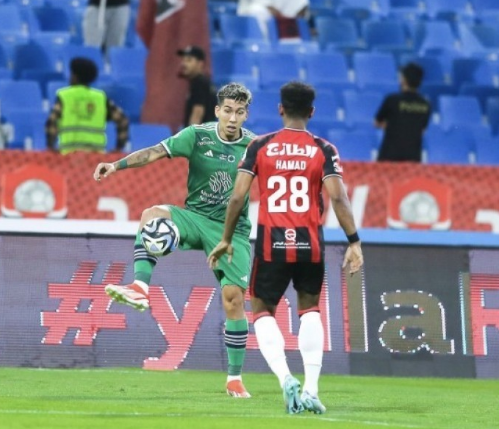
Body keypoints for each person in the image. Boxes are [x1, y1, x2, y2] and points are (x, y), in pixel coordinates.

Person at [208, 81, 364, 415]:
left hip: (271, 243)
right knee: (310, 310)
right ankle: (312, 389)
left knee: (262, 310)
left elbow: (237, 196)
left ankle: (284, 380)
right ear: (311, 112)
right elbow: (338, 196)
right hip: (310, 243)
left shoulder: (260, 146)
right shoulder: (324, 149)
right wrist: (354, 242)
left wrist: (225, 239)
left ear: (280, 109)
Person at [93, 83, 257, 398]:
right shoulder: (197, 135)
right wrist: (116, 165)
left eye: (239, 112)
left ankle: (234, 379)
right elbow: (155, 151)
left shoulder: (255, 147)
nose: (233, 118)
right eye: (227, 110)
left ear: (245, 114)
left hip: (232, 229)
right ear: (217, 110)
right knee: (151, 214)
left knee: (234, 299)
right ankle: (140, 288)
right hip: (194, 219)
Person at [46, 57, 129, 154]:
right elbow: (122, 120)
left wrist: (51, 147)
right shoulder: (100, 98)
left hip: (69, 157)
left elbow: (51, 121)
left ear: (75, 76)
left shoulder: (65, 96)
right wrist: (119, 147)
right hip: (95, 158)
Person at [374, 63, 431, 162]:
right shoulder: (425, 104)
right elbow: (422, 130)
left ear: (403, 80)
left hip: (388, 158)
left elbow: (376, 122)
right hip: (413, 159)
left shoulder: (392, 100)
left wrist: (394, 126)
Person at [177, 45, 217, 128]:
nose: (184, 64)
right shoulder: (205, 82)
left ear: (200, 64)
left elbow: (198, 112)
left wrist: (190, 138)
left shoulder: (199, 83)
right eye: (183, 60)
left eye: (189, 60)